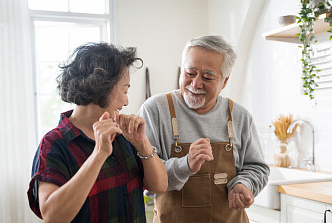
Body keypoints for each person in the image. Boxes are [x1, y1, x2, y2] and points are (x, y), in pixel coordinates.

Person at [27, 42, 168, 223]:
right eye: (124, 90)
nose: (126, 101)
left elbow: (159, 186)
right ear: (101, 87)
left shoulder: (123, 135)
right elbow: (52, 217)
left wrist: (142, 144)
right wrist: (98, 155)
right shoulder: (55, 144)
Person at [138, 35, 270, 223]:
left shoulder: (239, 116)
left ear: (224, 81)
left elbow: (257, 168)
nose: (196, 83)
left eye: (207, 77)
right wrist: (186, 164)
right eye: (190, 73)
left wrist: (244, 184)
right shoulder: (155, 110)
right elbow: (146, 178)